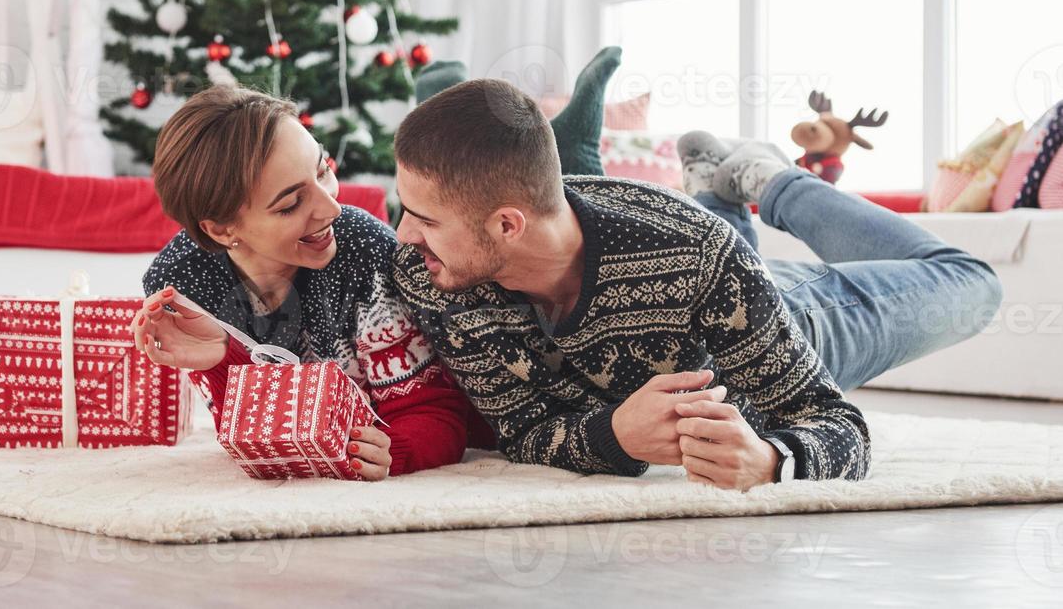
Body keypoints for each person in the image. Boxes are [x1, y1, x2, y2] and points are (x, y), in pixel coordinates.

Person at [388, 79, 1002, 491]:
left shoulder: (696, 254)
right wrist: (615, 436)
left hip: (798, 316)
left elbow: (838, 425)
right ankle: (715, 188)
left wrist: (769, 461)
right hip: (716, 292)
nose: (405, 235)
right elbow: (522, 429)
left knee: (974, 284)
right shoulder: (434, 275)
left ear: (506, 224)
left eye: (424, 218)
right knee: (720, 258)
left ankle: (771, 183)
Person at [130, 85, 491, 481]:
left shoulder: (365, 251)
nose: (331, 207)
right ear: (220, 229)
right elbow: (255, 434)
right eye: (290, 205)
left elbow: (437, 413)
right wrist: (221, 357)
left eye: (324, 170)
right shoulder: (182, 283)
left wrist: (395, 451)